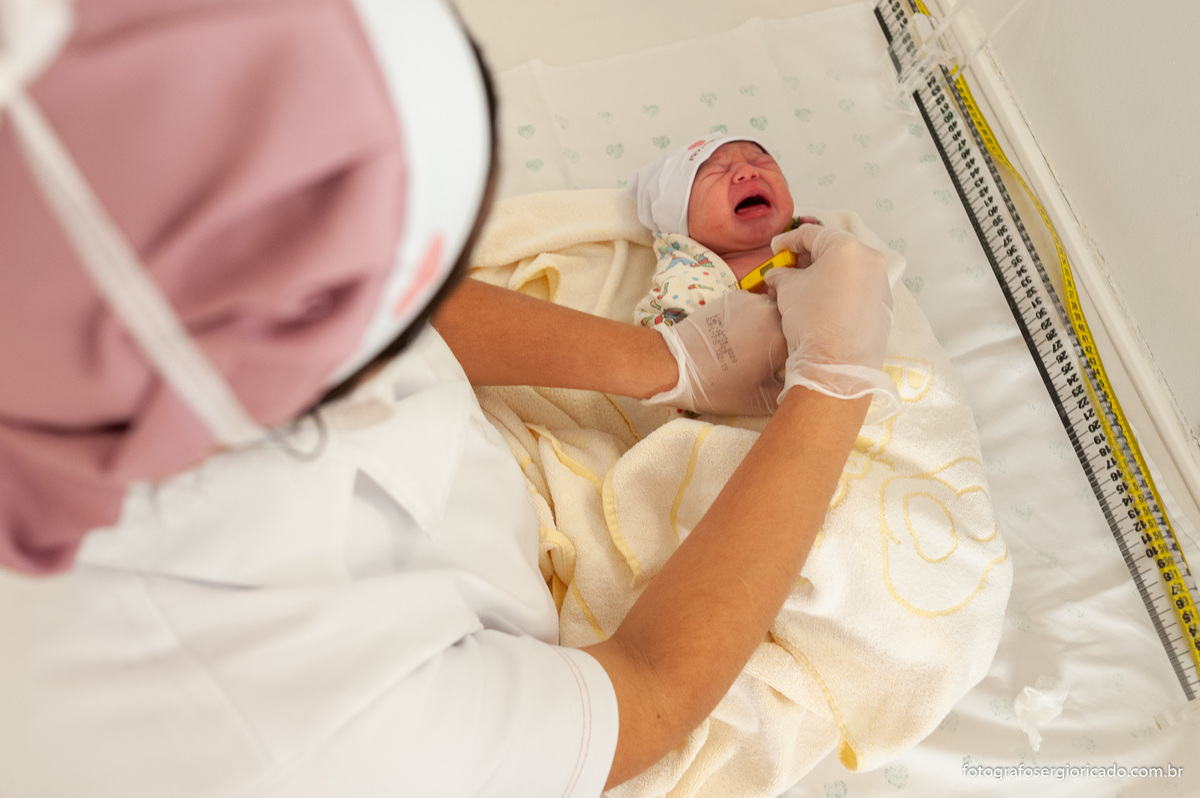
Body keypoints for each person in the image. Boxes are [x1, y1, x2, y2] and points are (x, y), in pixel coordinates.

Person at [0, 2, 894, 796]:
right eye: (373, 280)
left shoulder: (133, 251)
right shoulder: (276, 728)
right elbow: (646, 691)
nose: (418, 295)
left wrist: (664, 359)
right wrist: (833, 384)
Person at [628, 135, 900, 420]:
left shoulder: (821, 243)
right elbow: (654, 352)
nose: (748, 171)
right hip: (741, 417)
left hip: (851, 395)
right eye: (715, 171)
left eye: (760, 160)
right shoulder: (686, 278)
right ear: (681, 223)